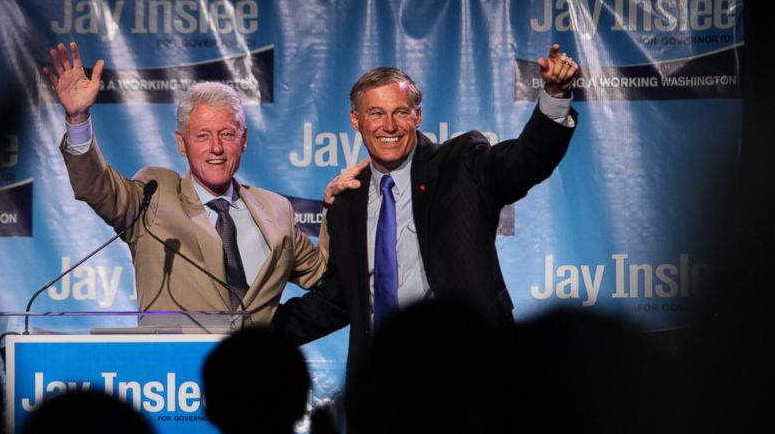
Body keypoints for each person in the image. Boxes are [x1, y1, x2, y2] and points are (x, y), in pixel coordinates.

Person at [273, 44, 580, 377]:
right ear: (355, 120)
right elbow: (337, 299)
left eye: (401, 112)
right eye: (375, 113)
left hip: (466, 373)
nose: (388, 125)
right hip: (383, 379)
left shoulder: (461, 164)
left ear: (417, 116)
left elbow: (523, 163)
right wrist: (250, 330)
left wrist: (555, 95)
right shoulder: (347, 203)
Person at [43, 42, 326, 326]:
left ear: (244, 139)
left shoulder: (276, 210)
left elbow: (322, 274)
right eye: (202, 136)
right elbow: (97, 187)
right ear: (182, 143)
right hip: (173, 368)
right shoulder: (154, 196)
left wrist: (339, 206)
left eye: (227, 134)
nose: (216, 148)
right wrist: (78, 119)